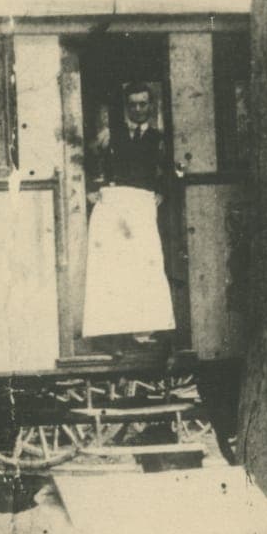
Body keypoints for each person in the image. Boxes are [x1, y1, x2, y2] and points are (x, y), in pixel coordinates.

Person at [82, 82, 177, 349]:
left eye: (142, 103)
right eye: (133, 104)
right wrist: (92, 190)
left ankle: (143, 330)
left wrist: (163, 193)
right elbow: (89, 163)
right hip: (116, 209)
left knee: (145, 266)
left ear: (151, 105)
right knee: (116, 268)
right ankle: (115, 332)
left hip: (143, 208)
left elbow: (169, 172)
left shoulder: (160, 139)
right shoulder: (112, 136)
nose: (138, 109)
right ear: (127, 107)